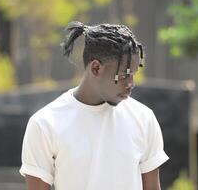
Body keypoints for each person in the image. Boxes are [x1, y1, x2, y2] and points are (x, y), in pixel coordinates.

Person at [19, 21, 169, 190]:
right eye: (124, 75)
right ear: (96, 68)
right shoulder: (45, 124)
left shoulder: (144, 118)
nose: (131, 84)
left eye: (133, 74)